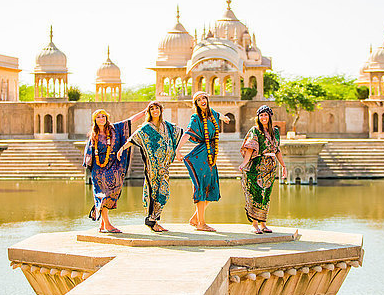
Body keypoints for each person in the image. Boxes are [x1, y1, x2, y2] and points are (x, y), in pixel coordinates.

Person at [116, 101, 183, 232]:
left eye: (157, 108)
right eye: (152, 109)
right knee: (154, 193)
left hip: (164, 168)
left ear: (161, 111)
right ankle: (152, 221)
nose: (155, 111)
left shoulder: (167, 126)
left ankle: (154, 220)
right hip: (152, 169)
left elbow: (181, 133)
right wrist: (121, 149)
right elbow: (133, 138)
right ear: (149, 112)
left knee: (164, 193)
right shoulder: (146, 128)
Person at [83, 108, 146, 233]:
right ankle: (107, 224)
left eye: (103, 116)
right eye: (98, 117)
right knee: (103, 195)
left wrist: (144, 111)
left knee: (111, 192)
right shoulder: (93, 134)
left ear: (107, 118)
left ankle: (101, 224)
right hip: (98, 170)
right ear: (95, 120)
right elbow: (89, 152)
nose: (101, 119)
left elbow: (130, 121)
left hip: (113, 166)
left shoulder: (114, 129)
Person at [176, 91, 230, 232]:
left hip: (212, 155)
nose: (202, 101)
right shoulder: (196, 117)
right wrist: (177, 149)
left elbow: (218, 115)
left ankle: (195, 218)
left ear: (207, 99)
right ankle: (201, 223)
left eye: (204, 98)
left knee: (212, 188)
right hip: (202, 156)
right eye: (199, 99)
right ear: (196, 103)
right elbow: (188, 133)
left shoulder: (212, 114)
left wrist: (224, 118)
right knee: (202, 187)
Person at [238, 105, 286, 234]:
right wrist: (244, 163)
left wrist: (283, 166)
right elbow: (250, 148)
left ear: (270, 116)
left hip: (270, 167)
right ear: (258, 117)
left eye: (265, 115)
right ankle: (255, 225)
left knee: (266, 195)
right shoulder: (255, 130)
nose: (263, 117)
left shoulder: (275, 132)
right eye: (261, 115)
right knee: (256, 194)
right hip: (257, 166)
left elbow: (277, 150)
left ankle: (263, 224)